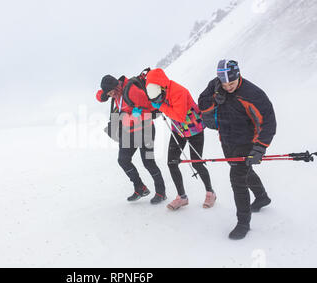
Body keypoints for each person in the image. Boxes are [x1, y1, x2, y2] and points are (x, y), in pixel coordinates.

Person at [198, 59, 277, 240]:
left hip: (247, 141)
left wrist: (260, 148)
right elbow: (202, 104)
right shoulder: (216, 85)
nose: (228, 87)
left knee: (237, 178)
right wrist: (214, 98)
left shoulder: (252, 93)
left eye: (231, 83)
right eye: (224, 84)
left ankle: (243, 222)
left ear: (238, 75)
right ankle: (262, 196)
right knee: (243, 171)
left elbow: (268, 121)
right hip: (226, 138)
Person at [144, 68, 215, 210]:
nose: (158, 100)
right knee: (172, 162)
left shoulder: (179, 92)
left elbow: (180, 116)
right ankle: (182, 197)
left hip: (194, 129)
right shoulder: (157, 92)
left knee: (196, 163)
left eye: (159, 97)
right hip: (179, 131)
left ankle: (210, 192)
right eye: (155, 99)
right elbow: (160, 107)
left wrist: (162, 106)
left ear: (162, 87)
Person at [96, 74, 167, 204]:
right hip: (129, 132)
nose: (111, 96)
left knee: (148, 162)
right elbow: (100, 95)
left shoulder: (132, 90)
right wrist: (102, 96)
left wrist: (133, 114)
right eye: (109, 94)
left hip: (145, 129)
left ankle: (161, 192)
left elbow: (149, 109)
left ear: (116, 87)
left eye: (111, 92)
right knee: (123, 160)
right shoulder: (113, 92)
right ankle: (140, 188)